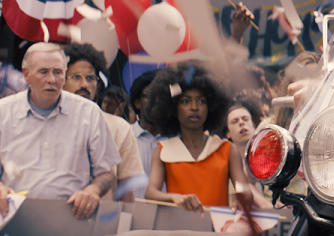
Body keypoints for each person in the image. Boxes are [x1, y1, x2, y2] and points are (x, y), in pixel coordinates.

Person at [0, 42, 120, 219]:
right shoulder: (4, 112)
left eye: (58, 72)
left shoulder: (89, 113)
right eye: (43, 72)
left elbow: (106, 173)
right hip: (14, 219)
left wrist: (92, 190)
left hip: (73, 219)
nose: (52, 80)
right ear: (26, 74)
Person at [143, 63, 269, 210]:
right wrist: (175, 198)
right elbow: (150, 193)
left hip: (217, 229)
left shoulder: (227, 149)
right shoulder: (162, 150)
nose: (195, 107)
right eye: (186, 101)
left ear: (211, 107)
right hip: (178, 229)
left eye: (201, 101)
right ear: (173, 108)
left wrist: (243, 198)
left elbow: (242, 188)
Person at [63, 43, 145, 202]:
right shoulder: (51, 121)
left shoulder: (119, 128)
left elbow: (127, 191)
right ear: (61, 81)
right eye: (76, 77)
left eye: (90, 78)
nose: (84, 85)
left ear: (98, 84)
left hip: (103, 221)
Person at [130, 69, 161, 191]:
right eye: (151, 96)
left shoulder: (178, 139)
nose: (157, 102)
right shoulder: (125, 136)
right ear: (137, 103)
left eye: (161, 96)